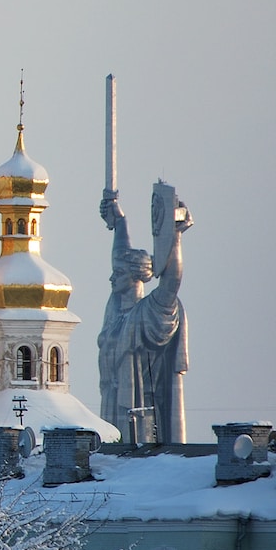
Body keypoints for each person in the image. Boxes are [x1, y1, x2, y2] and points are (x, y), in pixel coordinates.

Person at [97, 184, 192, 443]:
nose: (111, 278)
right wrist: (119, 221)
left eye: (118, 275)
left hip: (145, 420)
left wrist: (175, 236)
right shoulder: (117, 312)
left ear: (135, 276)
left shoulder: (150, 311)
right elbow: (120, 254)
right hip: (114, 415)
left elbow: (172, 280)